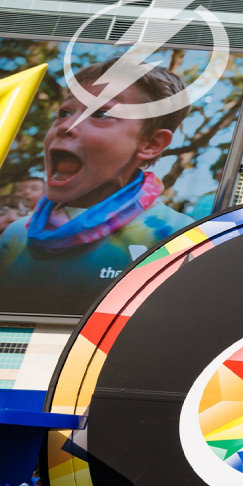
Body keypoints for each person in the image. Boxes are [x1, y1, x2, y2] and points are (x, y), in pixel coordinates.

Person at [0, 58, 193, 307]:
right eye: (64, 113)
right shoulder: (15, 234)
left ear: (151, 144)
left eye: (101, 113)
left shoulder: (178, 239)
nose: (66, 125)